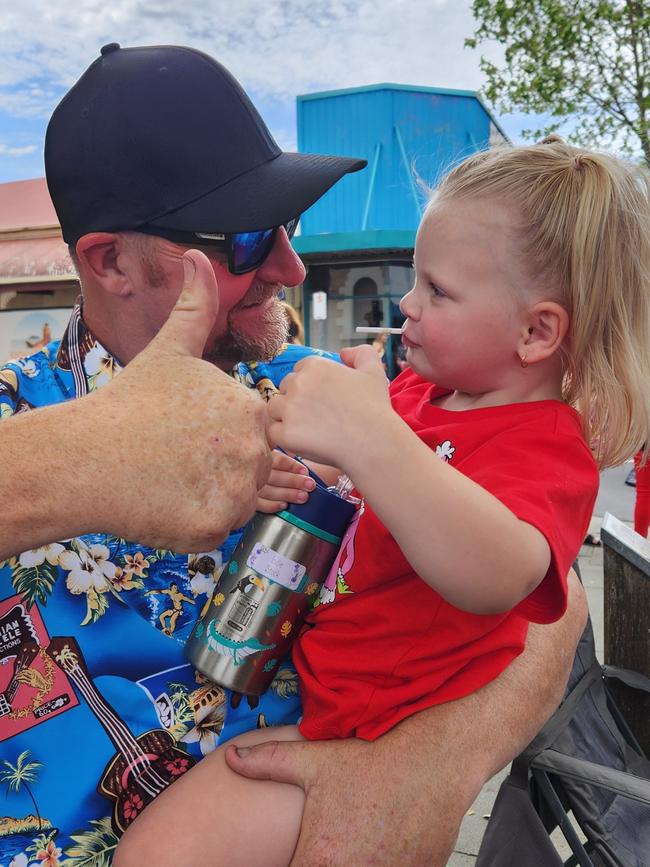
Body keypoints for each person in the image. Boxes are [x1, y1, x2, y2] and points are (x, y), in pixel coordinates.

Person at [114, 138, 650, 865]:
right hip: (325, 701)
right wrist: (298, 469)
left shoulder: (545, 445)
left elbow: (502, 573)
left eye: (438, 290)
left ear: (536, 332)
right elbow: (342, 472)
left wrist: (373, 439)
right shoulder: (419, 396)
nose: (407, 304)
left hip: (373, 731)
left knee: (160, 855)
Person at [0, 258, 271, 561]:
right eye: (247, 241)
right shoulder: (8, 397)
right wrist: (95, 453)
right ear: (113, 262)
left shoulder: (314, 387)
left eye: (287, 226)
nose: (290, 269)